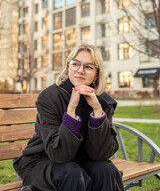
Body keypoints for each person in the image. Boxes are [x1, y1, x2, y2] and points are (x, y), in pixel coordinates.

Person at [14, 44, 124, 191]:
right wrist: (71, 110)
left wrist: (97, 111)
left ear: (97, 74)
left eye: (89, 67)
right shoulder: (49, 97)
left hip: (81, 160)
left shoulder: (103, 102)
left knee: (105, 170)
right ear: (68, 67)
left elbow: (100, 155)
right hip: (43, 162)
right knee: (71, 172)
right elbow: (59, 155)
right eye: (75, 64)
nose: (80, 71)